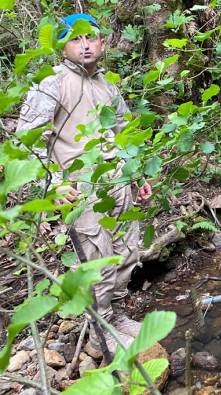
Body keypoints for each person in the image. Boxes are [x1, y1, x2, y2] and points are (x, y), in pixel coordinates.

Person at [16, 13, 151, 353]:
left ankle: (115, 316)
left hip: (117, 183)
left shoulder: (107, 85)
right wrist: (56, 184)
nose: (85, 44)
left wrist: (138, 176)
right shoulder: (52, 83)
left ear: (103, 42)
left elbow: (125, 133)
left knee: (128, 253)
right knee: (96, 260)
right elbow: (25, 142)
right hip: (80, 189)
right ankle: (100, 329)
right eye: (75, 38)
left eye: (91, 37)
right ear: (62, 45)